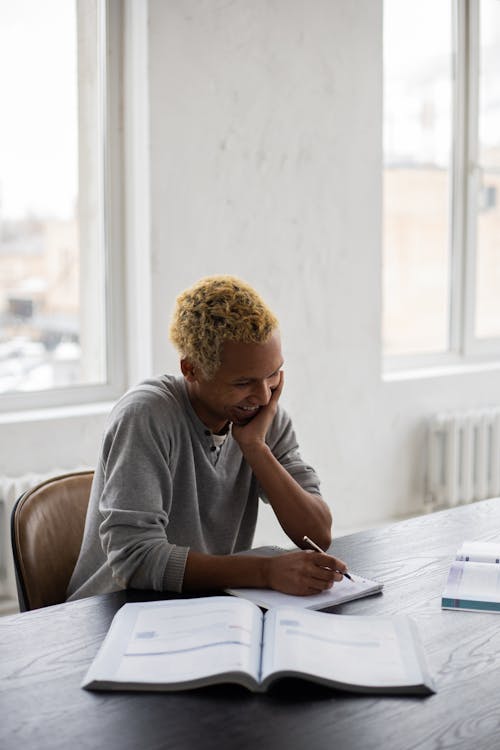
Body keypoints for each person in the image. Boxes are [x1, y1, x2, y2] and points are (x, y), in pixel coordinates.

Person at [67, 275, 347, 601]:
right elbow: (134, 559)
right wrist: (265, 572)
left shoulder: (263, 417)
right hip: (113, 611)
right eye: (243, 382)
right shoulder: (146, 416)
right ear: (191, 370)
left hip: (201, 607)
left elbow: (316, 534)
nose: (262, 395)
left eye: (273, 374)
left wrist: (255, 447)